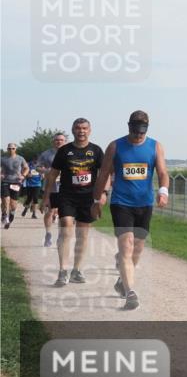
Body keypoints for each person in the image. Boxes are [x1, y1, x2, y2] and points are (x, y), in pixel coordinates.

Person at [92, 110, 169, 310]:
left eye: (142, 132)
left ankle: (121, 281)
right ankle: (130, 292)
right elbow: (104, 175)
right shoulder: (116, 146)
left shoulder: (155, 146)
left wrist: (163, 192)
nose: (138, 136)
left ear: (147, 129)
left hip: (144, 204)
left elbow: (162, 172)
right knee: (126, 246)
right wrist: (97, 199)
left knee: (138, 248)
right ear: (129, 127)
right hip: (121, 202)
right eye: (135, 132)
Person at [43, 119, 106, 287]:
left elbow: (104, 174)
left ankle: (76, 270)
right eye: (78, 128)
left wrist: (103, 194)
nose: (81, 131)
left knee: (83, 234)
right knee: (66, 226)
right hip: (67, 195)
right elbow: (52, 174)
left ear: (90, 130)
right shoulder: (64, 151)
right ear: (73, 130)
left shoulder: (96, 150)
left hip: (87, 197)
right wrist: (47, 195)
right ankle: (63, 270)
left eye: (84, 128)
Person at [36, 133, 67, 247]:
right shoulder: (46, 154)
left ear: (65, 141)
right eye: (57, 140)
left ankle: (60, 236)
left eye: (61, 140)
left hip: (66, 187)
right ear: (53, 141)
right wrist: (47, 171)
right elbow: (37, 167)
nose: (59, 142)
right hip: (51, 187)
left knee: (64, 214)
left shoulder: (70, 153)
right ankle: (48, 234)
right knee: (49, 211)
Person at [2, 142, 28, 229]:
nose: (11, 150)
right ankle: (4, 215)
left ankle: (11, 215)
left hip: (16, 182)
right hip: (5, 181)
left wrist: (23, 175)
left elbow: (26, 168)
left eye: (12, 148)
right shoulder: (3, 159)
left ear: (15, 149)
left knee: (13, 205)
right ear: (7, 149)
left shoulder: (20, 158)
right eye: (9, 148)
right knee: (6, 199)